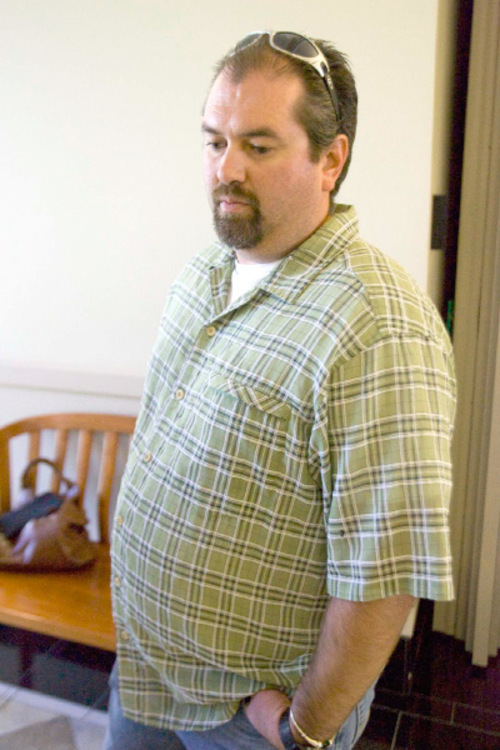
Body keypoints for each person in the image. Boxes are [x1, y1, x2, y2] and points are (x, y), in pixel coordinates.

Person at [105, 31, 456, 750]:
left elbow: (384, 570)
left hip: (248, 721)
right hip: (149, 671)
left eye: (258, 147)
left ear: (332, 159)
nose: (224, 169)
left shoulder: (376, 325)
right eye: (214, 141)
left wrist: (304, 731)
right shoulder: (208, 270)